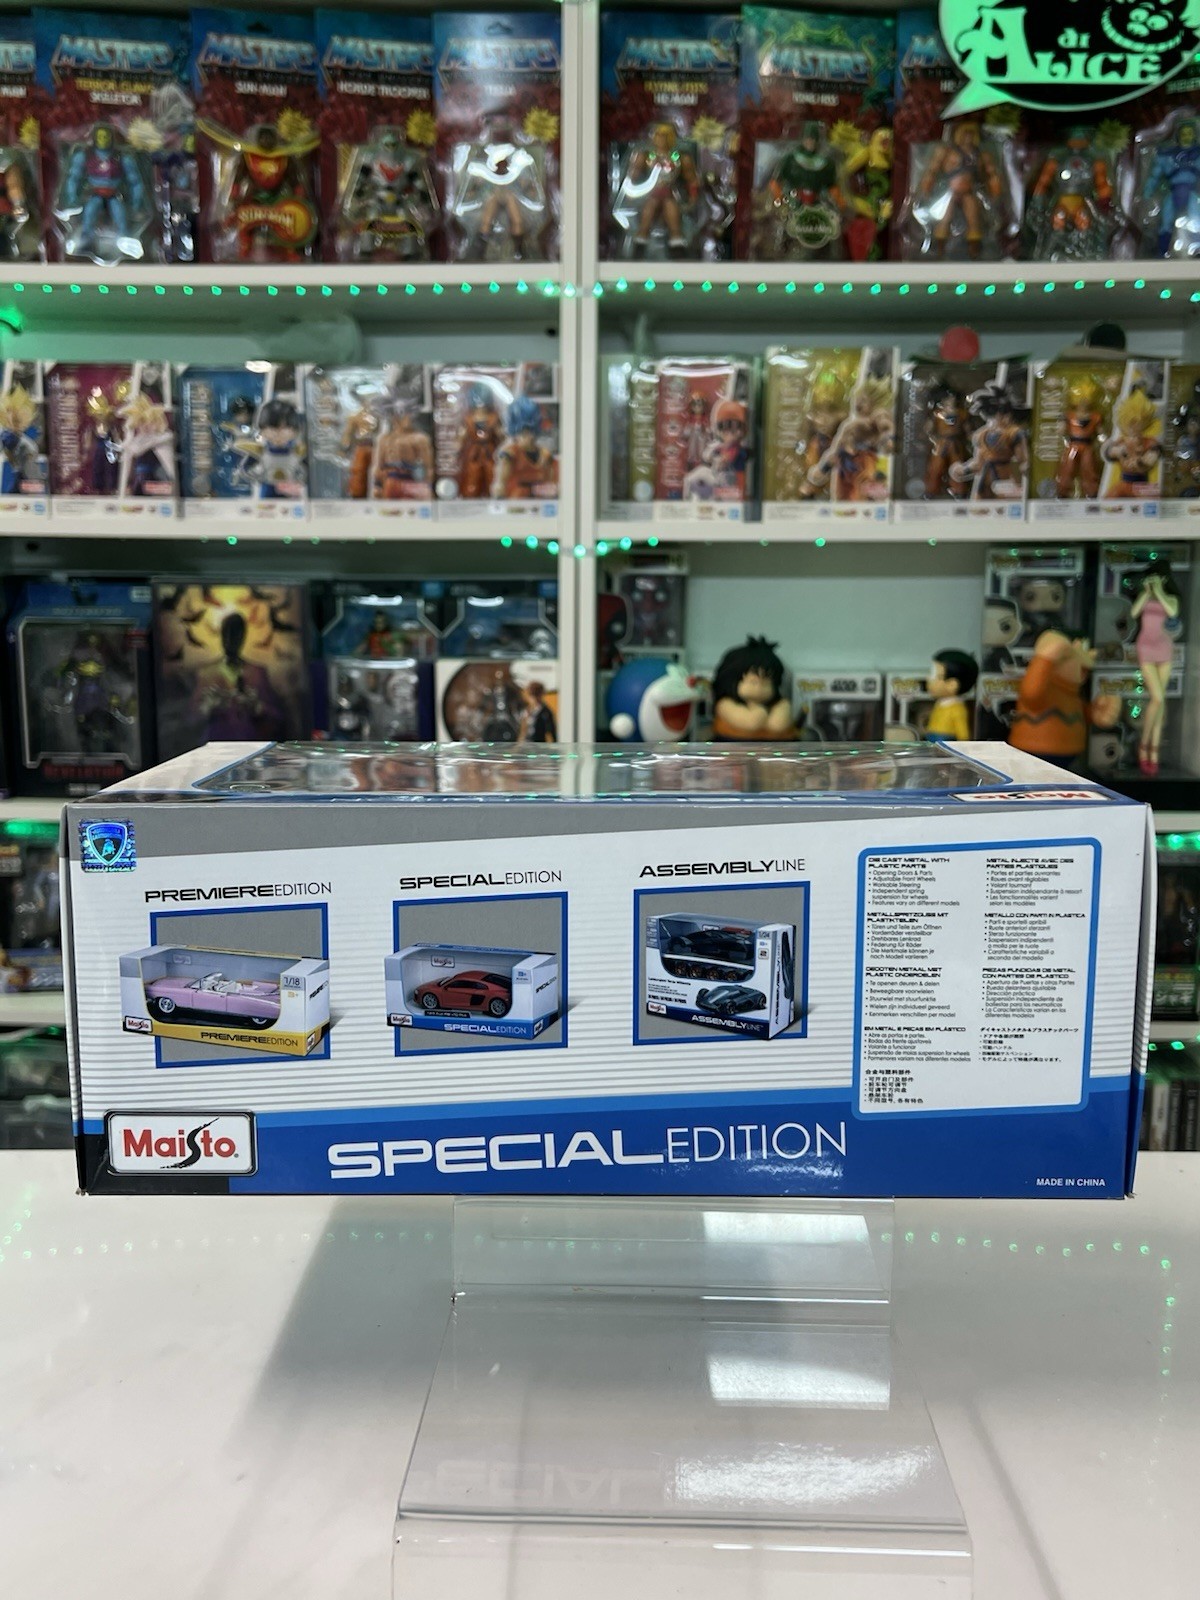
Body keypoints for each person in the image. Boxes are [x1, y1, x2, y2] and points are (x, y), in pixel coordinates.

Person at [1129, 557, 1183, 776]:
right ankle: (1144, 746)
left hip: (1164, 648)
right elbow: (1134, 613)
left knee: (1161, 703)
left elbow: (1172, 612)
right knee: (1157, 698)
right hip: (1146, 647)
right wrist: (1146, 592)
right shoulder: (1145, 596)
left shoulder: (1171, 597)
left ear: (1164, 578)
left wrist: (1159, 591)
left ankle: (1154, 752)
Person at [711, 636, 797, 740]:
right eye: (753, 681)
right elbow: (753, 721)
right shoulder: (725, 704)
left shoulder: (779, 704)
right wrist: (757, 708)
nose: (759, 687)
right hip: (734, 746)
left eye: (766, 683)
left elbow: (778, 725)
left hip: (777, 746)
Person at [925, 650, 978, 742]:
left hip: (946, 741)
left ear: (952, 685)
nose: (928, 679)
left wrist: (963, 745)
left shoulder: (957, 709)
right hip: (931, 738)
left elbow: (962, 732)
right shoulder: (940, 704)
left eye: (936, 676)